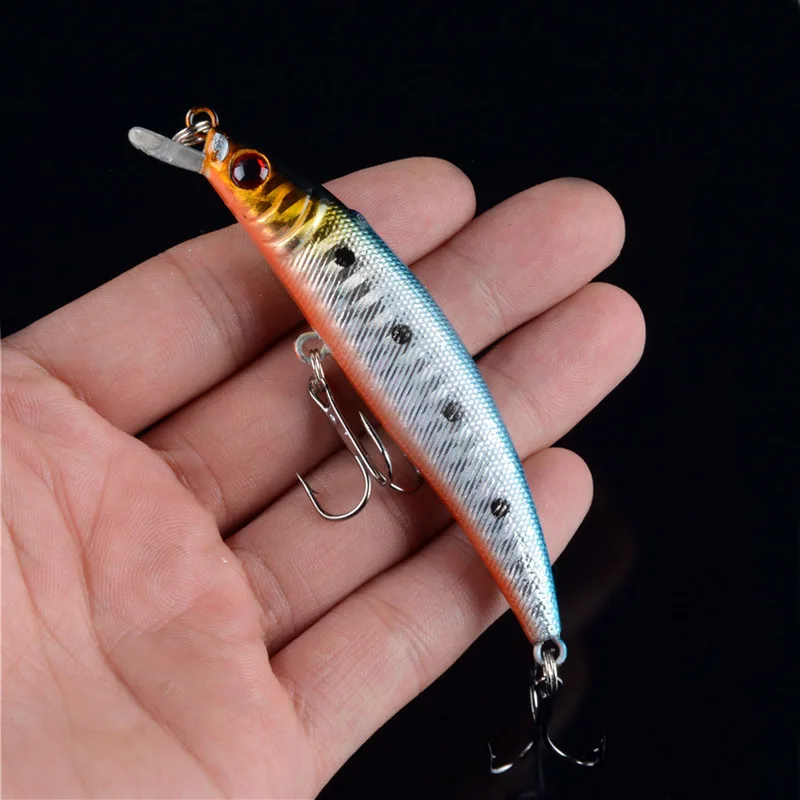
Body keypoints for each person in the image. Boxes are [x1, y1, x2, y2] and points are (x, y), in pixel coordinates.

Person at [1, 158, 644, 798]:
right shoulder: (302, 237)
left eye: (248, 175)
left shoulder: (319, 233)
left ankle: (543, 637)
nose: (245, 184)